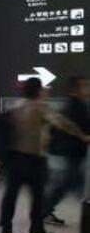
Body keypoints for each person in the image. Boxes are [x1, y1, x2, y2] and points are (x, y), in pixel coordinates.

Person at [0, 77, 90, 233]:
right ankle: (37, 230)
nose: (45, 91)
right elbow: (62, 123)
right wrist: (82, 135)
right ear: (38, 90)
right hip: (34, 160)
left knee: (10, 196)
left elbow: (5, 135)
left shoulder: (16, 107)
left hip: (14, 160)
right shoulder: (41, 108)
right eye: (43, 88)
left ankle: (6, 232)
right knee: (37, 197)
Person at [44, 77, 90, 225]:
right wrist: (84, 136)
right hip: (71, 150)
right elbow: (70, 127)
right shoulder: (74, 105)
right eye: (85, 85)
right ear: (76, 89)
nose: (88, 88)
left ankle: (44, 211)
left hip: (72, 150)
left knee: (70, 182)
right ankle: (43, 211)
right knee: (71, 182)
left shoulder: (76, 104)